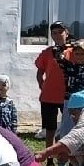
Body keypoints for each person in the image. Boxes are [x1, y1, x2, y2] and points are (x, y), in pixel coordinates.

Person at [35, 22, 72, 153]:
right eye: (54, 33)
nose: (57, 35)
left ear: (66, 33)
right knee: (50, 129)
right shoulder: (47, 52)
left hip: (67, 96)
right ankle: (49, 157)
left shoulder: (73, 51)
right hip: (48, 96)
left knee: (68, 128)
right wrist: (42, 85)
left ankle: (65, 158)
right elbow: (40, 71)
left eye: (60, 32)